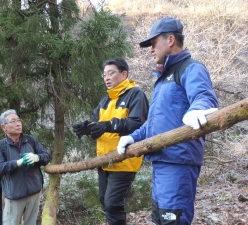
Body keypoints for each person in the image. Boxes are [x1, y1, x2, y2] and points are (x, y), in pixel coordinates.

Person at [116, 17, 219, 225]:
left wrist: (197, 110)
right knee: (160, 219)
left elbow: (204, 97)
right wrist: (132, 136)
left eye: (154, 43)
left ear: (170, 39)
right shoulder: (162, 80)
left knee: (174, 221)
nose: (151, 49)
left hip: (178, 163)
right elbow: (155, 123)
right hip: (160, 162)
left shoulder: (190, 68)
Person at [73, 57, 149, 225]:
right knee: (105, 201)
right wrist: (87, 129)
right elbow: (98, 128)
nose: (106, 78)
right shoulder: (105, 100)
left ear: (124, 74)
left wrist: (108, 125)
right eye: (104, 74)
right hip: (104, 160)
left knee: (113, 204)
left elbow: (136, 123)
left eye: (111, 73)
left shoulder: (135, 94)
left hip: (124, 158)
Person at [0, 109, 51, 225]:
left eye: (19, 120)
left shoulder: (31, 140)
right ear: (4, 127)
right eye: (13, 121)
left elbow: (46, 156)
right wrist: (17, 163)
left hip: (34, 193)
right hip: (14, 196)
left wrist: (37, 157)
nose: (18, 124)